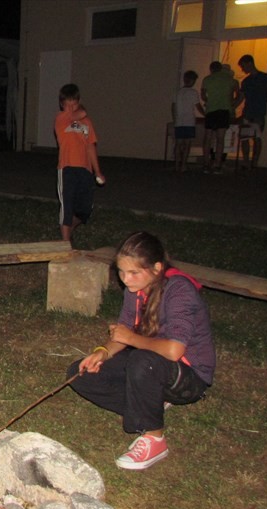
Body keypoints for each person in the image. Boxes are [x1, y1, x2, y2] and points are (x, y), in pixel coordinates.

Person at [66, 231, 215, 470]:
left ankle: (154, 438)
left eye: (134, 272)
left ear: (157, 268)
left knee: (142, 360)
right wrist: (102, 352)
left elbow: (174, 351)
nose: (126, 279)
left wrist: (131, 338)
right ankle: (151, 402)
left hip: (188, 376)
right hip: (149, 362)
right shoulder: (134, 291)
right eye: (121, 272)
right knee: (80, 373)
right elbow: (123, 334)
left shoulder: (179, 291)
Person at [55, 84, 105, 243]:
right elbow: (81, 112)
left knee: (85, 210)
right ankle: (65, 245)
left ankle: (69, 231)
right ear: (61, 105)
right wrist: (79, 109)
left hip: (85, 169)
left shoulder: (87, 122)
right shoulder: (61, 118)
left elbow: (91, 146)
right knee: (67, 207)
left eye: (74, 104)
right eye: (67, 105)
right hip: (67, 168)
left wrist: (97, 171)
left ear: (79, 102)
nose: (71, 109)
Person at [201, 61, 240, 174]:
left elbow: (203, 95)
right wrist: (232, 103)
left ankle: (206, 164)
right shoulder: (230, 80)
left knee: (208, 137)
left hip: (211, 110)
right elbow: (238, 93)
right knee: (220, 138)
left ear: (211, 69)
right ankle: (218, 164)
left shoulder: (207, 79)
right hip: (224, 111)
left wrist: (209, 101)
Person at [236, 54, 267, 169]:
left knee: (256, 138)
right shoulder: (246, 81)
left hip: (257, 112)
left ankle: (254, 162)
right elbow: (241, 97)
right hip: (249, 112)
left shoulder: (264, 77)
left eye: (243, 66)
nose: (242, 69)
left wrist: (262, 101)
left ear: (249, 63)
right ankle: (247, 161)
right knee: (246, 138)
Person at [173, 70, 201, 172]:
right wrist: (205, 114)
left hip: (179, 121)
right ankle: (183, 164)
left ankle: (177, 164)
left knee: (178, 143)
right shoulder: (193, 93)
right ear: (193, 80)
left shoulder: (178, 92)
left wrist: (175, 119)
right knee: (187, 144)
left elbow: (173, 107)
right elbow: (198, 107)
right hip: (189, 121)